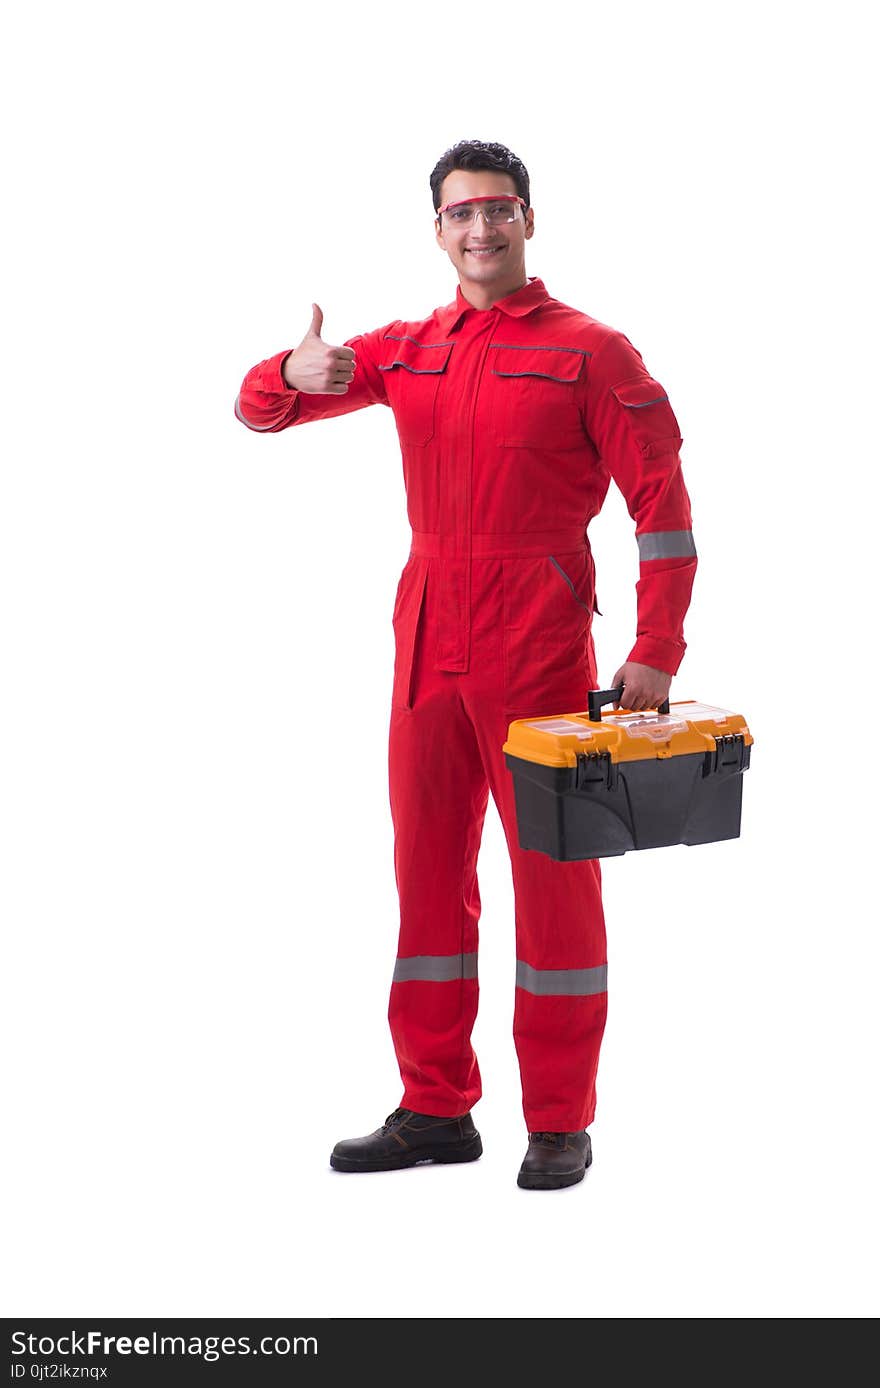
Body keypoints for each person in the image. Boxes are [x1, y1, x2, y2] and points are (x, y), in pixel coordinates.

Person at [234, 139, 697, 1190]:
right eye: (458, 214)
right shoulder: (409, 347)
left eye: (496, 209)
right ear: (437, 229)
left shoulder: (593, 351)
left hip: (537, 645)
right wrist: (282, 372)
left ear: (527, 217)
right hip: (428, 640)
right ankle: (434, 1104)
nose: (478, 229)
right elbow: (260, 411)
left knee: (555, 889)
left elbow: (662, 510)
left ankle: (559, 1118)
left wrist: (655, 647)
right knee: (425, 879)